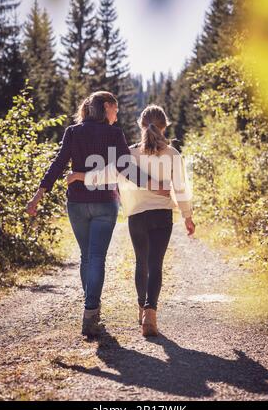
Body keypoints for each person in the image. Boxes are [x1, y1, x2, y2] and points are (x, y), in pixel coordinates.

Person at [27, 93, 168, 337]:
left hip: (77, 203)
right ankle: (91, 310)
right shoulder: (114, 134)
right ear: (106, 107)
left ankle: (91, 308)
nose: (117, 114)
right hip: (104, 203)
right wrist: (156, 186)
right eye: (115, 109)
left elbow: (58, 163)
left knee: (87, 257)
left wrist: (38, 196)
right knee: (96, 257)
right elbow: (127, 168)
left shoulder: (73, 131)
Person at [67, 105, 195, 337]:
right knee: (156, 264)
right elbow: (181, 188)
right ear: (165, 126)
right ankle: (150, 313)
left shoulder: (129, 154)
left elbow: (106, 174)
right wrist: (188, 216)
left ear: (140, 125)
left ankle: (140, 310)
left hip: (136, 215)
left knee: (141, 263)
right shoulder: (173, 155)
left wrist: (79, 176)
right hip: (162, 216)